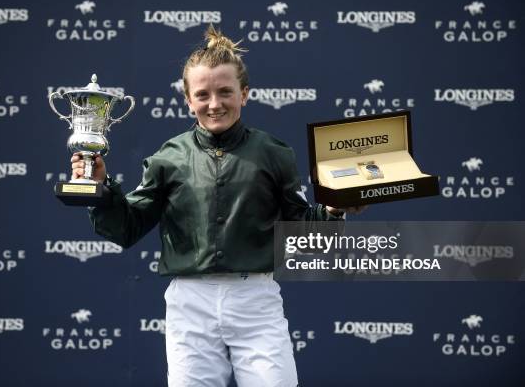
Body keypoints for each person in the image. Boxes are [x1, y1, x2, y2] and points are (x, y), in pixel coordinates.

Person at [71, 26, 363, 387]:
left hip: (256, 299)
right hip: (190, 303)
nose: (214, 103)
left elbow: (304, 228)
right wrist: (100, 189)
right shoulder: (169, 156)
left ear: (245, 94)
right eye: (203, 94)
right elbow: (126, 226)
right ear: (188, 100)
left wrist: (334, 210)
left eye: (225, 92)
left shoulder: (274, 153)